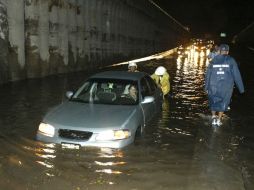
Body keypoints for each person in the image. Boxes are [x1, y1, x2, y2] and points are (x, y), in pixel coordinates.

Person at [205, 44, 244, 126]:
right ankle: (219, 120)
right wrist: (241, 88)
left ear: (219, 51)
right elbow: (236, 74)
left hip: (213, 85)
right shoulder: (231, 60)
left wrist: (206, 87)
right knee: (223, 102)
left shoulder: (213, 60)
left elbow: (208, 74)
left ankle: (213, 117)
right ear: (228, 51)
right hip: (226, 86)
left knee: (213, 101)